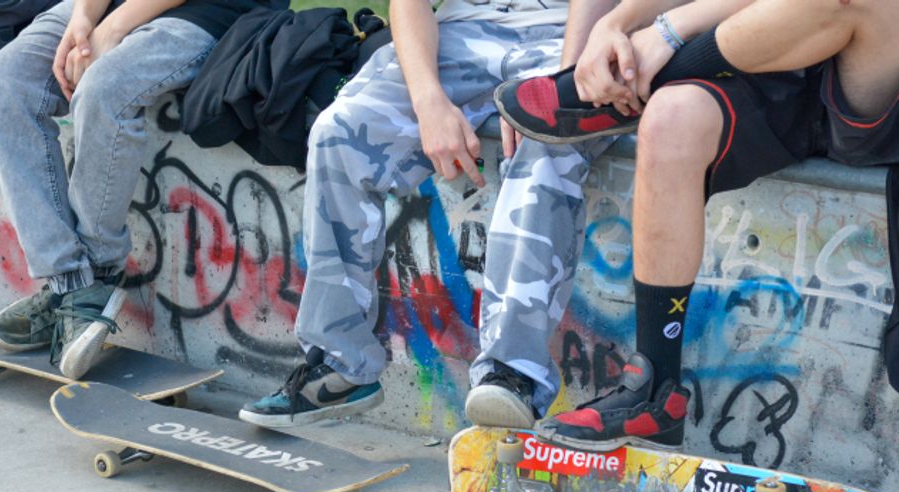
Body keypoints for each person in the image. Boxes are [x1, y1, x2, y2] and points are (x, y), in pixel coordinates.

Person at [490, 0, 899, 450]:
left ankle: (629, 87)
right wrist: (617, 23)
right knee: (671, 118)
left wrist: (665, 34)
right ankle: (654, 394)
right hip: (786, 56)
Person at [240, 0, 633, 427]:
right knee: (340, 133)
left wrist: (556, 93)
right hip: (459, 37)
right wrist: (430, 106)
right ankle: (339, 364)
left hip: (571, 41)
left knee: (547, 148)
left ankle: (512, 375)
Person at [0, 0, 273, 378]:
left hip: (209, 9)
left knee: (105, 87)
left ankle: (96, 278)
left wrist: (113, 28)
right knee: (2, 81)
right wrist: (84, 18)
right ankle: (69, 284)